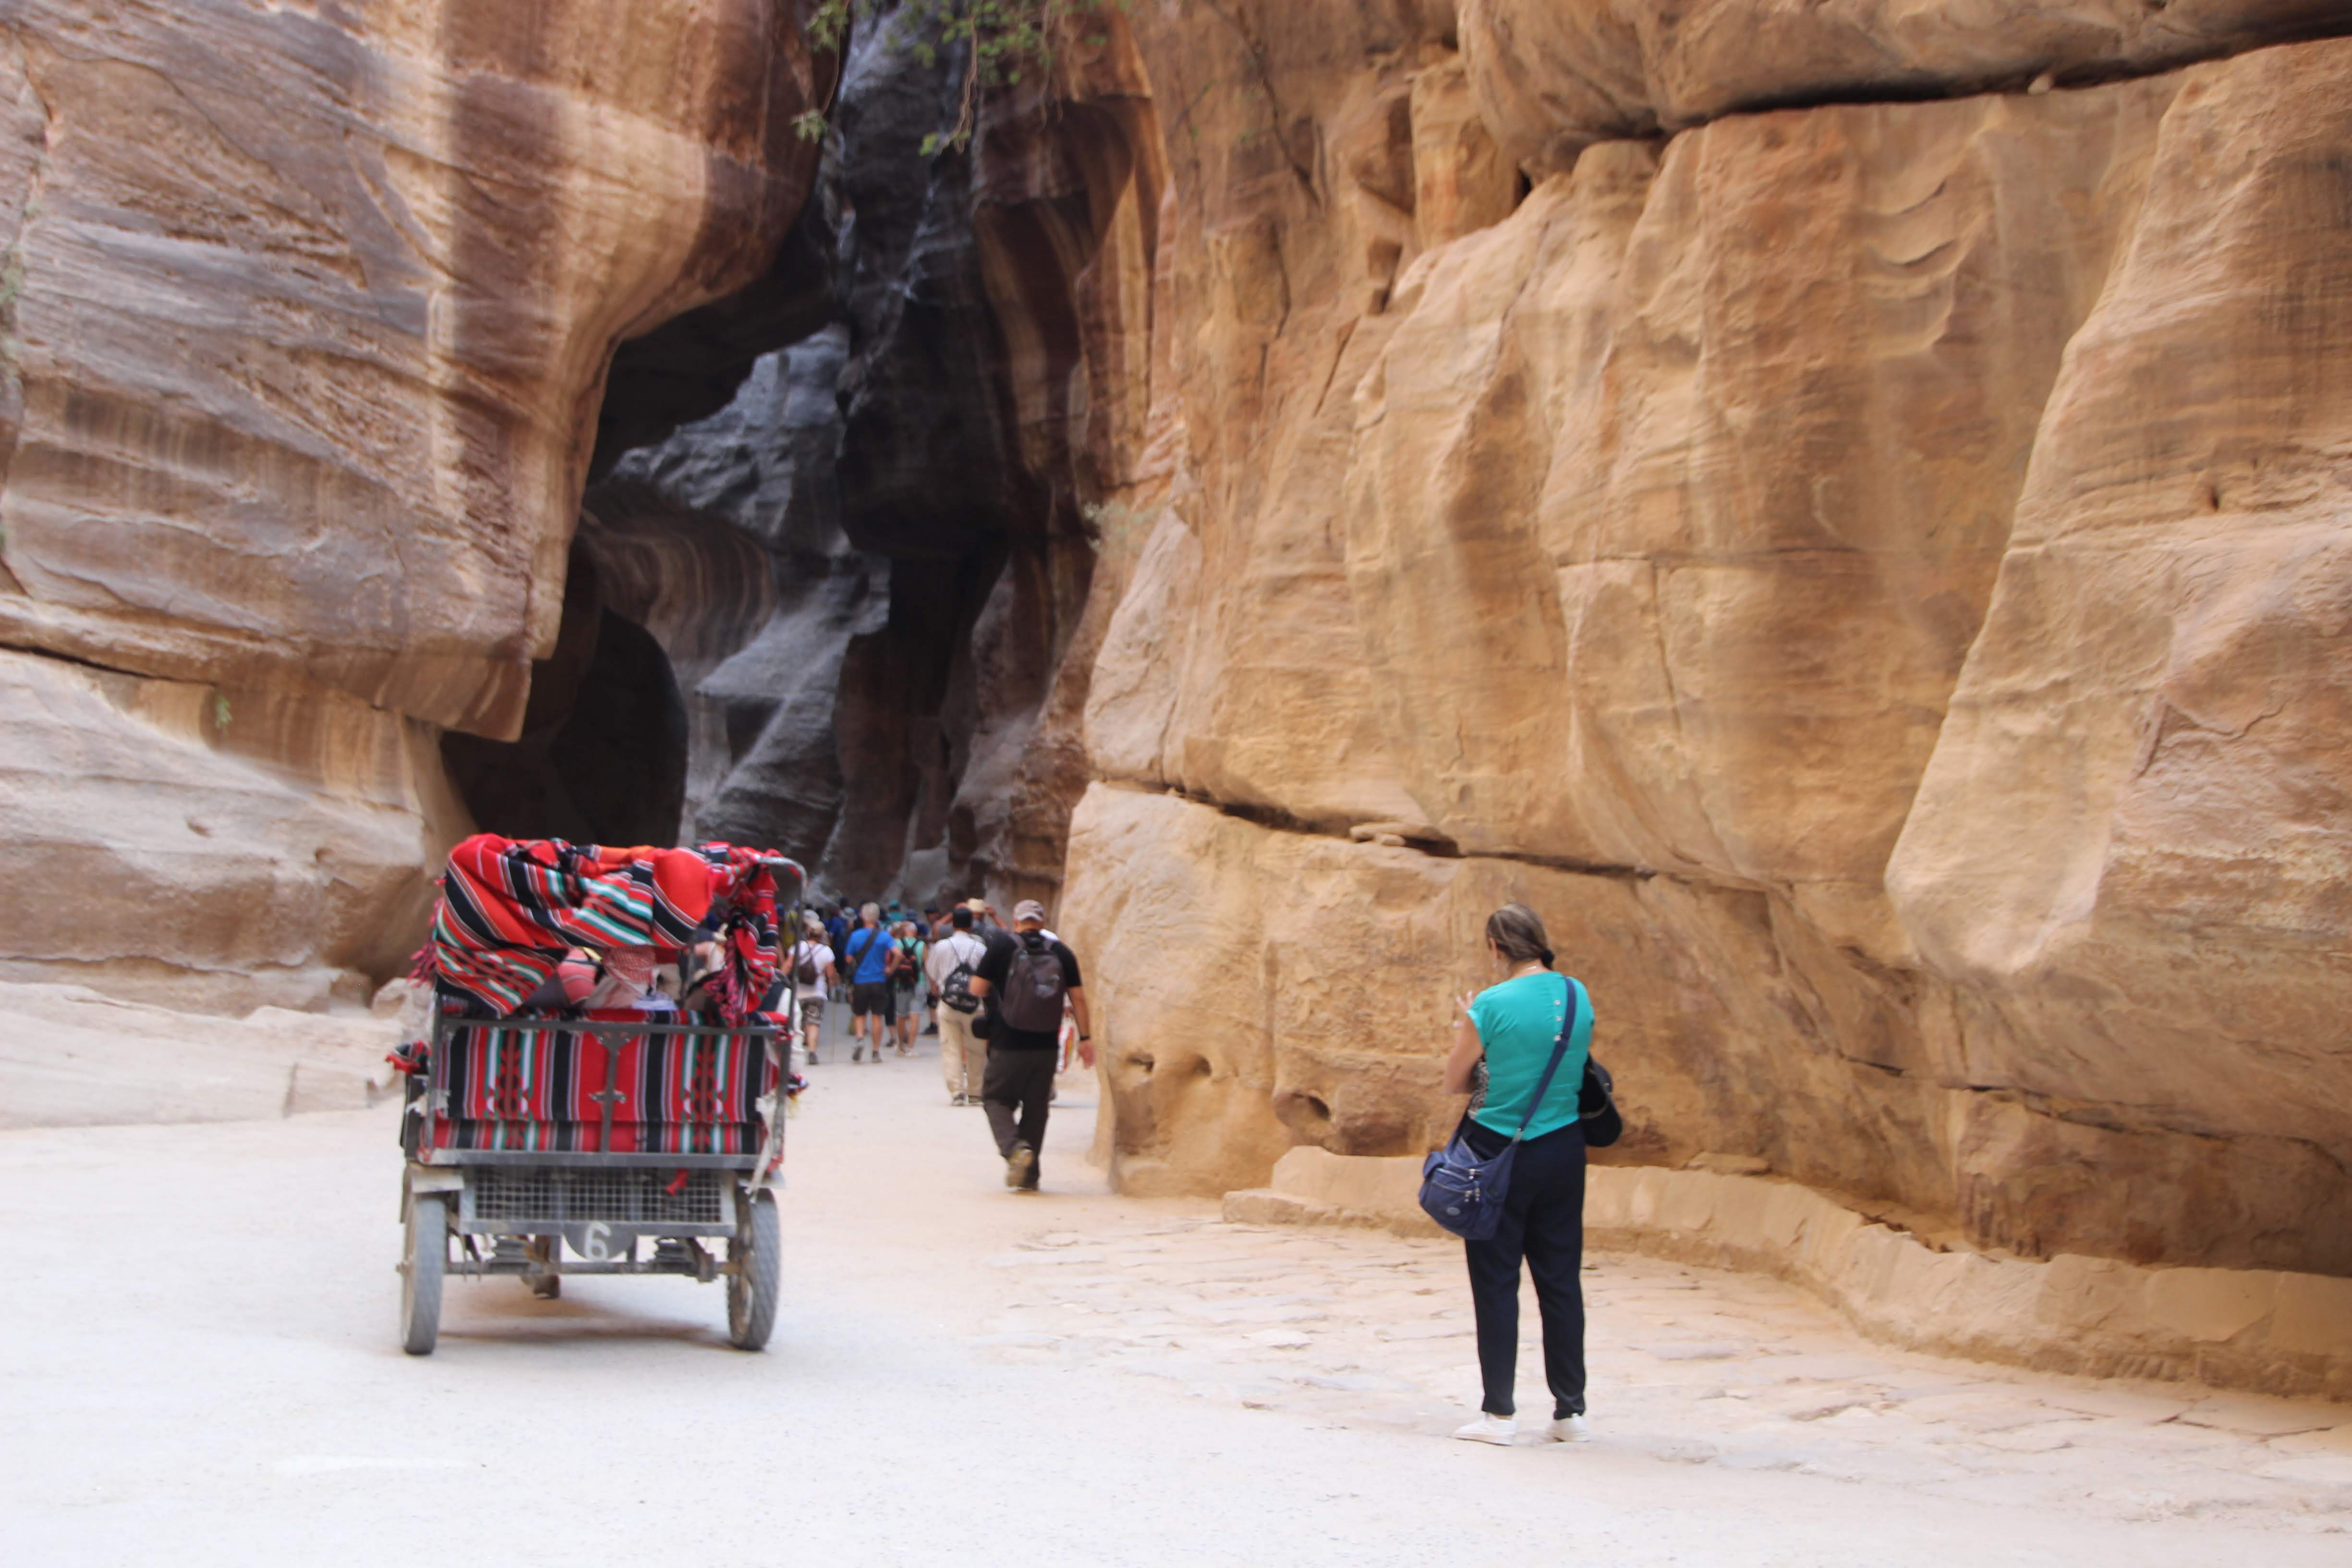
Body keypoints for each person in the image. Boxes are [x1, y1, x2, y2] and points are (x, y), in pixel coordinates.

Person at [1439, 902, 1594, 1446]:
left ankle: (1499, 1414)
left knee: (1496, 1280)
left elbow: (1456, 1080)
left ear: (1495, 947)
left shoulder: (1489, 1004)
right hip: (1563, 1149)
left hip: (1497, 1151)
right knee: (1561, 1280)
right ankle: (1569, 1412)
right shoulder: (1577, 994)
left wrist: (1468, 1024)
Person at [970, 899, 1091, 1192]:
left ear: (1016, 921)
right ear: (1042, 922)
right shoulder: (1061, 952)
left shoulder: (1002, 946)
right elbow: (1078, 998)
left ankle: (1015, 1150)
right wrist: (1086, 1039)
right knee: (1037, 1109)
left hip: (1007, 1042)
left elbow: (977, 988)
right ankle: (1030, 1176)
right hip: (1046, 1044)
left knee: (995, 1098)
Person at [926, 907, 992, 1106]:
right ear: (971, 926)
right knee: (976, 1049)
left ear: (953, 925)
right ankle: (976, 1091)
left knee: (951, 1047)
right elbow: (987, 976)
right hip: (975, 1004)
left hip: (949, 1002)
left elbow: (932, 971)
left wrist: (939, 986)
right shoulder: (980, 948)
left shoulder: (941, 946)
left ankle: (957, 1092)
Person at [842, 902, 894, 1063]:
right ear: (878, 917)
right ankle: (876, 1052)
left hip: (861, 981)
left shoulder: (856, 936)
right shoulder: (885, 936)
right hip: (879, 980)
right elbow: (898, 953)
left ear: (863, 917)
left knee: (860, 1015)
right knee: (877, 1017)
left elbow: (848, 958)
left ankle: (860, 1039)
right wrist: (890, 969)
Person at [787, 916, 837, 1066]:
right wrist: (833, 984)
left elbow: (788, 965)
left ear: (808, 933)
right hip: (817, 992)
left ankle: (795, 1051)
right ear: (822, 935)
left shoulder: (797, 947)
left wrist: (779, 978)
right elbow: (830, 974)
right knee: (813, 1023)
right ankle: (812, 1053)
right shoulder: (827, 951)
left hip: (798, 992)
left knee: (797, 1022)